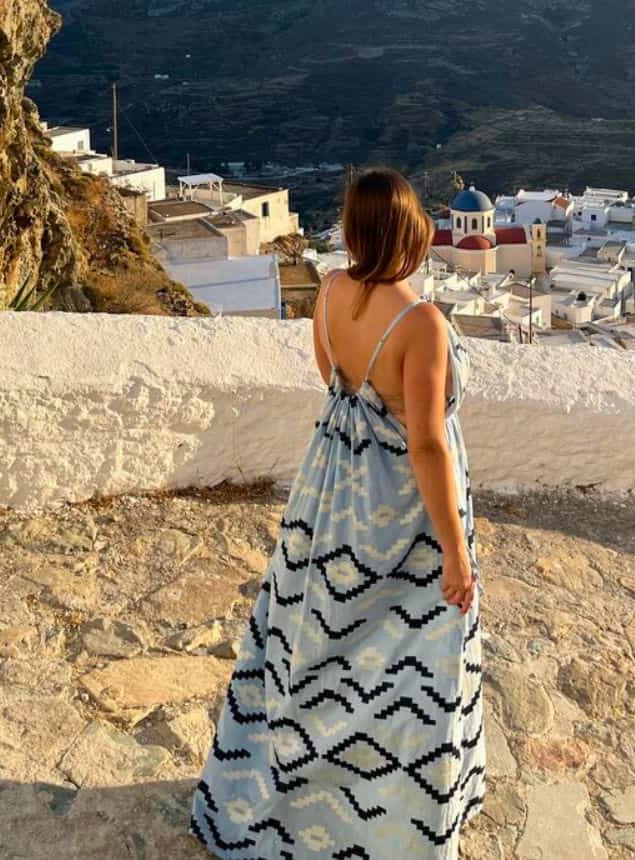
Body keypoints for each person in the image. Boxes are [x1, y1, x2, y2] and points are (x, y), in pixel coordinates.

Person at [190, 165, 486, 858]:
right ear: (410, 234)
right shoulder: (422, 323)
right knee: (413, 654)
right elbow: (426, 444)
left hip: (330, 491)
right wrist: (455, 550)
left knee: (317, 639)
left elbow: (336, 381)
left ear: (354, 231)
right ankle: (393, 819)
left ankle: (297, 787)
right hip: (404, 509)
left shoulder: (328, 291)